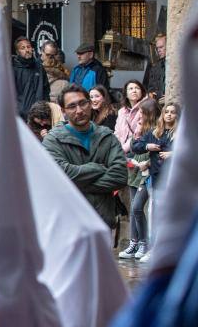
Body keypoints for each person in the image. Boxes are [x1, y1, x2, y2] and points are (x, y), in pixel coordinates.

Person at [42, 84, 127, 228]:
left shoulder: (107, 137)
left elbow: (119, 176)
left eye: (83, 103)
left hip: (101, 222)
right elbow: (58, 177)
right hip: (67, 224)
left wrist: (75, 184)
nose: (79, 110)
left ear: (90, 104)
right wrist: (97, 169)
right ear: (63, 111)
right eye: (72, 106)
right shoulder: (52, 140)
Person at [129, 102, 180, 262]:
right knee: (156, 215)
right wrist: (147, 146)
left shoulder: (182, 135)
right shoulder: (155, 133)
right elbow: (135, 146)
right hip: (158, 180)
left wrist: (174, 153)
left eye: (173, 112)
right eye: (167, 112)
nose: (169, 115)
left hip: (177, 181)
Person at [117, 98, 158, 261]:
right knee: (135, 211)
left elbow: (156, 151)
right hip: (135, 173)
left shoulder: (156, 130)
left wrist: (146, 163)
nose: (139, 115)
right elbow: (132, 147)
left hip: (147, 173)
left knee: (138, 207)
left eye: (142, 112)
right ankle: (135, 242)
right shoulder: (140, 128)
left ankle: (144, 243)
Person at [12, 36, 50, 120]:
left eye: (28, 47)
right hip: (19, 117)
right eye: (23, 48)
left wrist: (44, 108)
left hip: (38, 116)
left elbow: (46, 89)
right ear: (17, 52)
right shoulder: (13, 69)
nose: (27, 50)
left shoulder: (39, 67)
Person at [114, 79, 147, 155]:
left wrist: (121, 151)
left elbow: (138, 134)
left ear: (142, 92)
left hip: (137, 150)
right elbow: (117, 132)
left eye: (137, 88)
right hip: (121, 150)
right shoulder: (121, 111)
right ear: (126, 94)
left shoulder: (145, 109)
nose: (134, 91)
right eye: (131, 89)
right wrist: (116, 148)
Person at [144, 33, 166, 105]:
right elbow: (150, 89)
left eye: (161, 47)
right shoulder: (155, 67)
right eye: (157, 48)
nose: (158, 50)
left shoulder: (178, 65)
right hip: (158, 106)